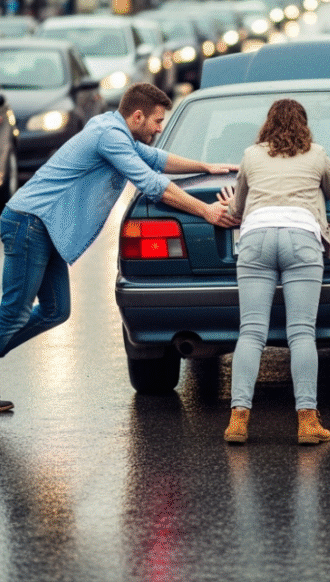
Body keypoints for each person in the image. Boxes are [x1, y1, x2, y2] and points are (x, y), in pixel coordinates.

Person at [0, 83, 239, 411]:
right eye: (156, 121)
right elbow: (154, 185)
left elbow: (158, 159)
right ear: (137, 115)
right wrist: (207, 211)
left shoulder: (117, 131)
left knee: (56, 310)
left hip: (45, 227)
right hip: (30, 223)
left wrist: (206, 167)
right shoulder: (110, 137)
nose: (159, 128)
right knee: (14, 312)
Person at [217, 98, 330, 445]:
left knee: (251, 332)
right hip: (301, 239)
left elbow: (237, 209)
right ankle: (307, 422)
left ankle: (238, 420)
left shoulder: (252, 155)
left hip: (255, 240)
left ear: (268, 124)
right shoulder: (317, 154)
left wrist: (229, 201)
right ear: (304, 125)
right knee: (301, 333)